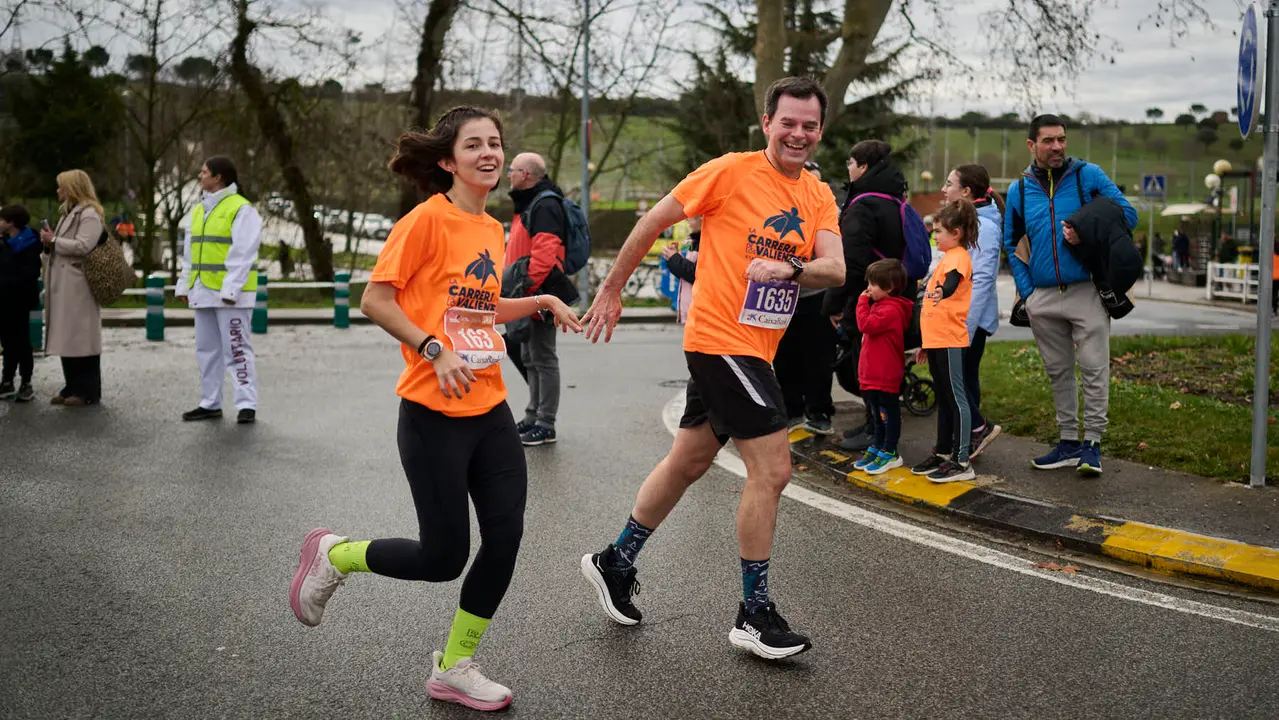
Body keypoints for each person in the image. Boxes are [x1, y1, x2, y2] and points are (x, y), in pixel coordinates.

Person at [288, 107, 582, 712]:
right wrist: (431, 348)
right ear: (448, 160)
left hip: (489, 407)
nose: (489, 153)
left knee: (505, 536)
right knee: (442, 557)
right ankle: (336, 555)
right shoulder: (425, 220)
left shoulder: (491, 227)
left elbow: (480, 308)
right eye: (473, 144)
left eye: (495, 143)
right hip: (432, 412)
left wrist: (541, 300)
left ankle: (453, 666)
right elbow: (375, 299)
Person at [577, 76, 845, 660]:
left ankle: (615, 560)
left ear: (820, 130)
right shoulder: (729, 172)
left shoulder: (818, 194)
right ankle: (754, 613)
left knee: (688, 461)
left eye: (809, 125)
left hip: (757, 347)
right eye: (788, 122)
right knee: (773, 471)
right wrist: (613, 289)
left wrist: (792, 270)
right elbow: (652, 221)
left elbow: (836, 268)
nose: (798, 134)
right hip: (722, 341)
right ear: (768, 123)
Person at [1004, 114, 1137, 476]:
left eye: (1061, 139)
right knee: (1058, 372)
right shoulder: (1019, 190)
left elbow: (1128, 215)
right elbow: (1011, 242)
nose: (1057, 147)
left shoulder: (1087, 176)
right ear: (1031, 145)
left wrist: (1087, 230)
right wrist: (1028, 293)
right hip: (1042, 296)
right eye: (1048, 140)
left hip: (1087, 290)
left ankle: (1092, 444)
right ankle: (1067, 442)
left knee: (1094, 368)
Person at [823, 140, 917, 452]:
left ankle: (876, 431)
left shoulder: (864, 206)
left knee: (864, 369)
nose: (848, 169)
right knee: (878, 367)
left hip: (870, 297)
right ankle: (874, 425)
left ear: (863, 167)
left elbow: (851, 262)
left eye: (851, 163)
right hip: (897, 294)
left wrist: (834, 303)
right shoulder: (894, 197)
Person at [175, 156, 264, 425]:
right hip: (203, 290)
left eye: (204, 172)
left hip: (230, 296)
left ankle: (246, 404)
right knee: (206, 350)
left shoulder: (241, 208)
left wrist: (231, 289)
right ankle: (209, 402)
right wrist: (185, 284)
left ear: (218, 177)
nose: (199, 175)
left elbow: (243, 253)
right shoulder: (199, 210)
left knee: (236, 349)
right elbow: (190, 254)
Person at [504, 152, 580, 446]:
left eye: (512, 170)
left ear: (525, 174)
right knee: (530, 356)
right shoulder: (532, 202)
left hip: (539, 292)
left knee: (543, 357)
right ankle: (532, 415)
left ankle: (545, 424)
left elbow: (545, 254)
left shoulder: (545, 204)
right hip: (531, 292)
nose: (508, 174)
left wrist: (527, 291)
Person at [912, 199, 979, 483]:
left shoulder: (958, 257)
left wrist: (944, 292)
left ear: (956, 233)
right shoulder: (946, 257)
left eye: (939, 231)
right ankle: (942, 452)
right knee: (944, 397)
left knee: (957, 398)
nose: (934, 235)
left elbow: (950, 284)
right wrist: (926, 343)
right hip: (937, 339)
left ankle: (962, 461)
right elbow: (932, 306)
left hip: (951, 338)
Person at [941, 164, 1004, 459]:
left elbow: (981, 281)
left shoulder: (985, 227)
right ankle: (961, 440)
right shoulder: (962, 222)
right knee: (960, 379)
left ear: (966, 191)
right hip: (953, 316)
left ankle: (974, 433)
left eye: (949, 184)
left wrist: (965, 327)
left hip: (968, 320)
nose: (943, 189)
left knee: (960, 380)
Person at [775, 161, 838, 434]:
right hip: (782, 295)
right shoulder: (779, 210)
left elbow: (838, 261)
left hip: (818, 296)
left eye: (818, 181)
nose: (814, 186)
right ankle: (792, 411)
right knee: (784, 357)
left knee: (819, 359)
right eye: (808, 180)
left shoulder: (828, 212)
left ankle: (820, 412)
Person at [40, 170, 106, 406]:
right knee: (67, 336)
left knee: (81, 338)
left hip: (78, 284)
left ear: (73, 188)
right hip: (64, 283)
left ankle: (87, 390)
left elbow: (83, 246)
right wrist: (49, 244)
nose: (58, 190)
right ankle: (71, 386)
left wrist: (54, 240)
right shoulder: (69, 213)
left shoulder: (88, 214)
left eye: (62, 186)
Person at [850, 259, 914, 475]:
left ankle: (890, 451)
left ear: (890, 288)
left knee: (887, 412)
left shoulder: (891, 310)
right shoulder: (879, 306)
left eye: (874, 284)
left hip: (884, 374)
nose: (868, 288)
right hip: (872, 373)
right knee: (876, 413)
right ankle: (878, 445)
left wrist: (861, 302)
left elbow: (865, 325)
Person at [0, 204, 42, 402]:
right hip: (4, 299)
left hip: (20, 299)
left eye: (2, 219)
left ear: (11, 223)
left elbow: (29, 274)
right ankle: (7, 380)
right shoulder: (4, 241)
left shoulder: (29, 243)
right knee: (7, 341)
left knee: (22, 341)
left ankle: (26, 382)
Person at [661, 215, 700, 324]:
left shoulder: (706, 241)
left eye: (691, 218)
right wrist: (673, 257)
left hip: (699, 314)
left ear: (702, 218)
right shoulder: (697, 240)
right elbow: (686, 273)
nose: (688, 222)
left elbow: (696, 274)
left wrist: (674, 258)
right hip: (693, 313)